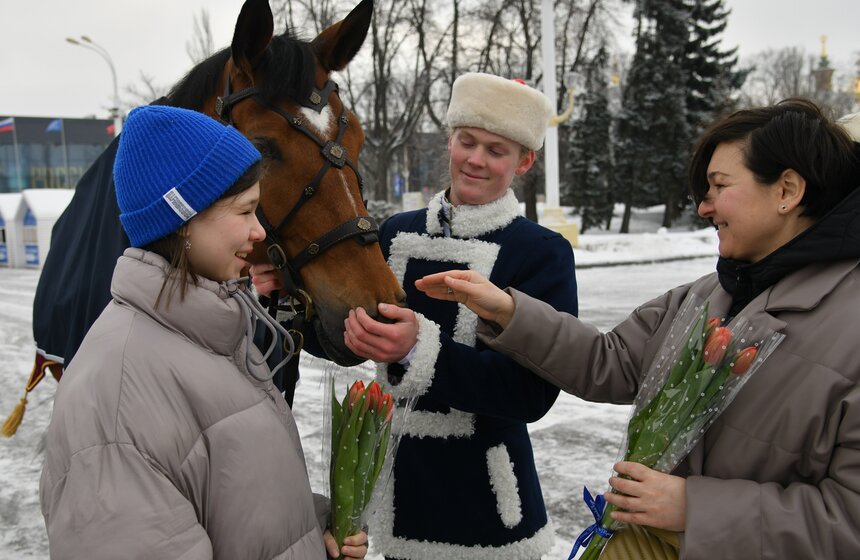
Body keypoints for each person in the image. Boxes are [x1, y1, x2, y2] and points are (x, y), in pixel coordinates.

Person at [416, 99, 860, 559]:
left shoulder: (849, 325)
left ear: (787, 190)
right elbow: (610, 361)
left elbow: (849, 520)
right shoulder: (707, 295)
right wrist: (508, 311)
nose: (704, 207)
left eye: (719, 185)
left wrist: (695, 509)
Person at [39, 105, 367, 560]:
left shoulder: (216, 334)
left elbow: (228, 498)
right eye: (245, 211)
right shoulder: (116, 397)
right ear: (183, 219)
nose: (259, 231)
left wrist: (312, 532)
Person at [338, 72, 578, 559]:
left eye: (496, 150)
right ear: (449, 139)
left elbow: (530, 394)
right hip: (402, 497)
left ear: (524, 161)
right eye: (467, 141)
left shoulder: (542, 252)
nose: (475, 159)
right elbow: (344, 332)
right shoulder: (394, 233)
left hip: (487, 509)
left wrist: (419, 349)